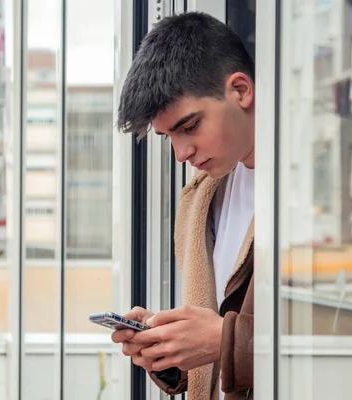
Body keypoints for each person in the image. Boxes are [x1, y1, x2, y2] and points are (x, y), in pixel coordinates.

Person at [112, 12, 256, 400]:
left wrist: (221, 340)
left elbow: (339, 335)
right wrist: (171, 345)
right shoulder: (201, 197)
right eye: (168, 137)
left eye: (190, 127)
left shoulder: (309, 189)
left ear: (241, 90)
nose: (181, 153)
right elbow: (217, 336)